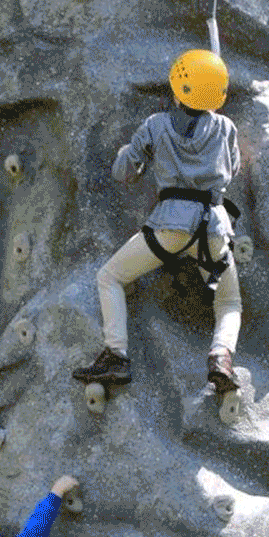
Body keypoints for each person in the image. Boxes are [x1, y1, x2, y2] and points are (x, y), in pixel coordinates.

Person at [73, 42, 243, 392]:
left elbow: (125, 172)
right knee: (228, 301)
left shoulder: (156, 124)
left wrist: (127, 151)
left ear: (180, 86)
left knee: (110, 277)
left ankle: (116, 355)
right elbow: (234, 168)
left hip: (169, 226)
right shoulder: (226, 128)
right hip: (213, 227)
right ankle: (221, 356)